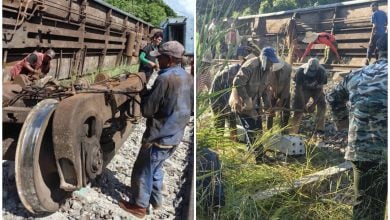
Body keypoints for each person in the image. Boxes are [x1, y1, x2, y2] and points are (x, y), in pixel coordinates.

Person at [119, 41, 193, 218]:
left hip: (159, 137)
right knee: (157, 167)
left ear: (169, 59)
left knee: (143, 169)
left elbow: (147, 111)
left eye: (160, 57)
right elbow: (191, 109)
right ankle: (156, 200)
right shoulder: (187, 77)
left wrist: (144, 94)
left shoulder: (164, 78)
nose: (158, 60)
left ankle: (139, 206)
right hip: (175, 136)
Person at [326, 34, 387, 220]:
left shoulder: (357, 74)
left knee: (366, 204)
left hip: (361, 151)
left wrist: (342, 122)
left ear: (376, 51)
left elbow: (332, 96)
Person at [228, 47, 279, 161]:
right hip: (241, 101)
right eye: (270, 61)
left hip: (254, 102)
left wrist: (267, 104)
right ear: (264, 59)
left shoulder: (267, 70)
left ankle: (257, 152)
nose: (271, 64)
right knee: (251, 129)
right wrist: (246, 99)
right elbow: (237, 82)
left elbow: (265, 89)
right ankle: (259, 157)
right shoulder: (251, 65)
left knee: (258, 128)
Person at [289, 58, 327, 135]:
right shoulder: (300, 72)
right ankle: (293, 130)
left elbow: (320, 89)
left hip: (316, 90)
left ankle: (320, 128)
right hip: (303, 90)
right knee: (298, 107)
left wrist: (313, 104)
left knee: (322, 104)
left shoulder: (322, 72)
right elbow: (298, 89)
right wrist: (303, 105)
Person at [210, 63, 241, 140]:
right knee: (219, 122)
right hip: (217, 98)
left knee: (232, 119)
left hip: (226, 97)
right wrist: (230, 107)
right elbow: (226, 92)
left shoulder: (240, 71)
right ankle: (218, 142)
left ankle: (233, 141)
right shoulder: (230, 73)